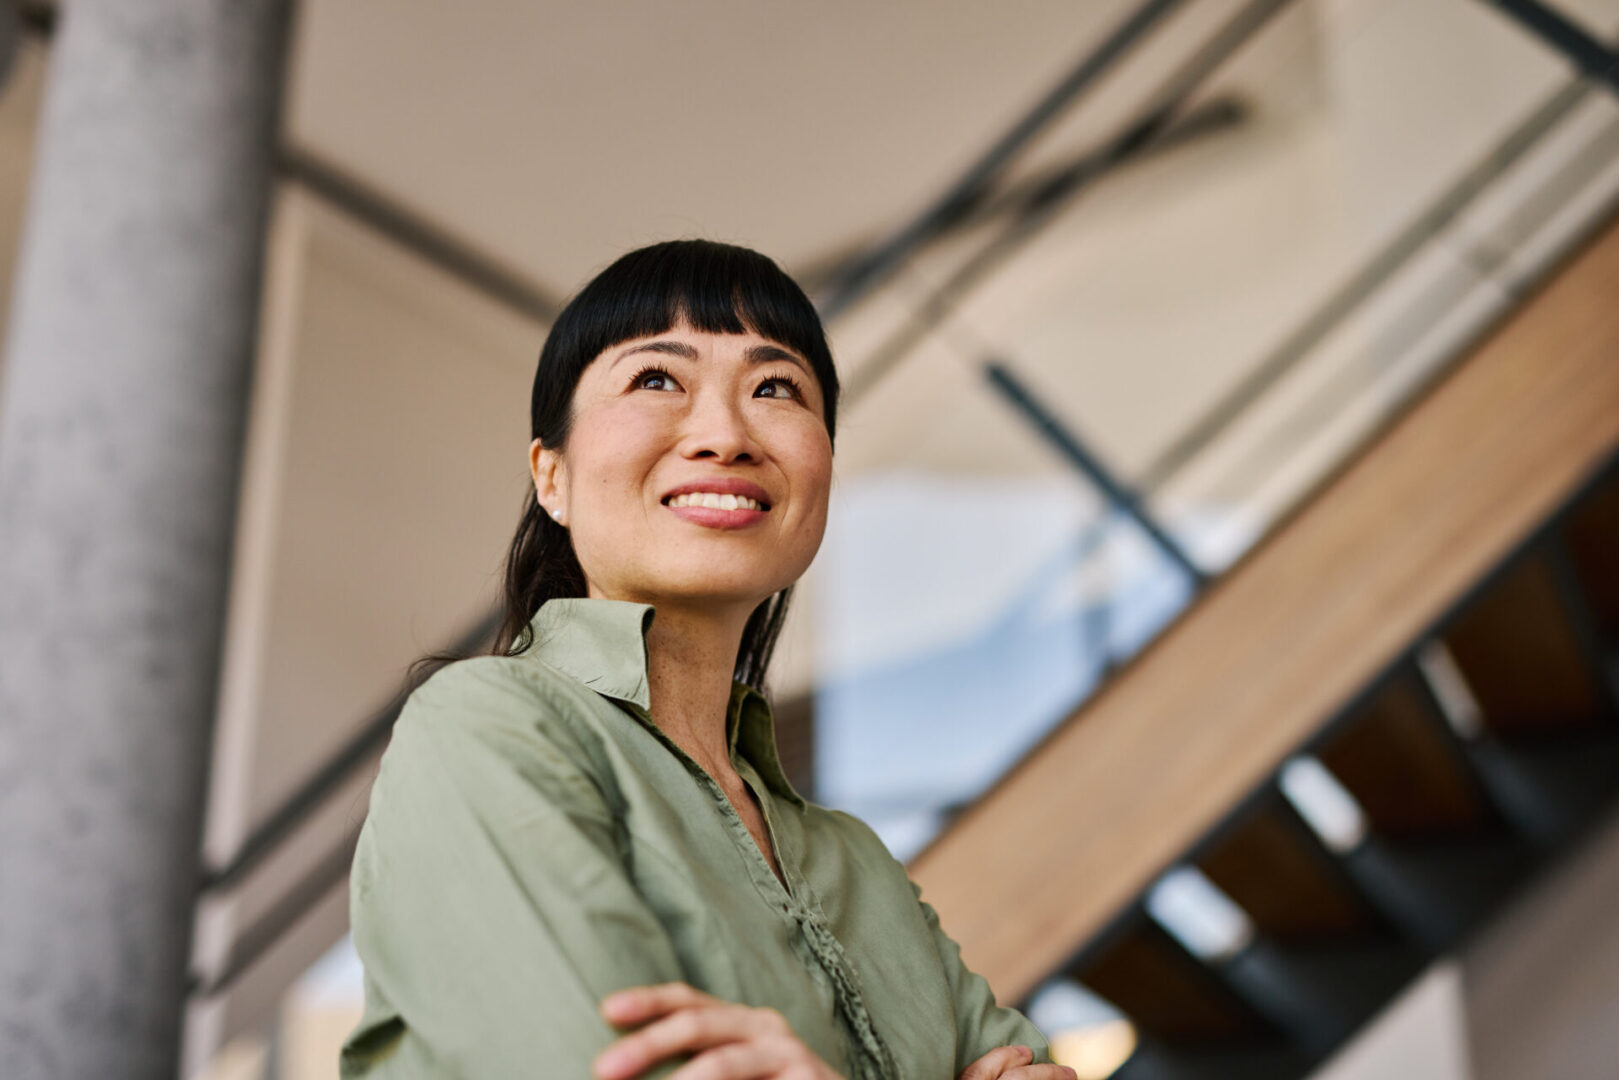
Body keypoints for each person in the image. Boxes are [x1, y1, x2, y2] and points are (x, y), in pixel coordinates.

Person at [339, 240, 1066, 1080]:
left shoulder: (855, 860)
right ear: (552, 476)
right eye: (656, 379)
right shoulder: (485, 726)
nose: (725, 434)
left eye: (775, 388)